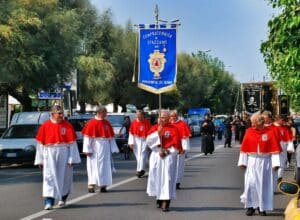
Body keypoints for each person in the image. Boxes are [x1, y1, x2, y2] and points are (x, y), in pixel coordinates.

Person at [34, 105, 81, 210]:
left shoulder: (67, 125)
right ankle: (49, 202)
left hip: (64, 152)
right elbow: (40, 145)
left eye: (62, 113)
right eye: (59, 113)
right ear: (52, 114)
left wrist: (72, 158)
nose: (61, 115)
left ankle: (62, 199)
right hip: (49, 152)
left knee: (65, 177)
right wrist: (40, 160)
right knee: (49, 177)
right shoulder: (45, 126)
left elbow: (72, 144)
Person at [238, 113, 281, 216]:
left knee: (263, 186)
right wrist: (242, 162)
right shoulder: (249, 132)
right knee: (250, 184)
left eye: (253, 122)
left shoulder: (270, 132)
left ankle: (262, 208)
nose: (251, 124)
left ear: (260, 122)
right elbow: (244, 148)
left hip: (265, 163)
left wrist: (275, 163)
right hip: (252, 161)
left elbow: (274, 149)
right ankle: (250, 206)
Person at [146, 110, 181, 212]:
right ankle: (159, 198)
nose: (161, 119)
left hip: (168, 157)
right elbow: (148, 141)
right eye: (160, 117)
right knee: (157, 177)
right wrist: (157, 133)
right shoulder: (155, 128)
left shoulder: (174, 129)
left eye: (163, 118)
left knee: (167, 179)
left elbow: (176, 147)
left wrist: (166, 152)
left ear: (168, 118)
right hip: (156, 156)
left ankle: (166, 201)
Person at [82, 106, 119, 193]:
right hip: (94, 147)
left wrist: (113, 149)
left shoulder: (106, 123)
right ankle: (91, 185)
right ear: (99, 113)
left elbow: (111, 137)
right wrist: (87, 149)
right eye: (105, 113)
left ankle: (103, 184)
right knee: (92, 166)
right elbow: (87, 137)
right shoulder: (91, 123)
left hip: (105, 147)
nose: (106, 115)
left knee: (105, 166)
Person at [170, 110, 192, 189]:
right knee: (171, 165)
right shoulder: (168, 124)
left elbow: (185, 138)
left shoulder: (182, 124)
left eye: (174, 116)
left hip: (180, 148)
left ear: (177, 116)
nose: (173, 118)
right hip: (171, 148)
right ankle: (171, 180)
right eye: (171, 116)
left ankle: (177, 181)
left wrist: (184, 148)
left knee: (179, 165)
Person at [128, 110, 151, 177]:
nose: (138, 116)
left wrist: (150, 143)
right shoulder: (134, 122)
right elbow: (131, 133)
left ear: (142, 115)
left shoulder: (147, 122)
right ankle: (142, 169)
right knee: (138, 156)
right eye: (137, 115)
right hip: (136, 140)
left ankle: (140, 170)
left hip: (144, 140)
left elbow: (150, 133)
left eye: (139, 115)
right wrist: (131, 142)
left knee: (143, 154)